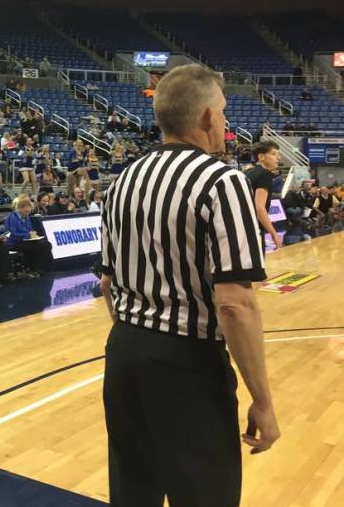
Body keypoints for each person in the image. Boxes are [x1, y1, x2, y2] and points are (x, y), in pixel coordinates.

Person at [99, 64, 277, 507]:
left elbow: (107, 282)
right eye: (222, 110)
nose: (224, 120)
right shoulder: (222, 181)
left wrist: (139, 338)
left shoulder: (123, 180)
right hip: (188, 362)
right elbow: (235, 304)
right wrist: (263, 400)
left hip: (123, 354)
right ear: (205, 118)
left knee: (133, 492)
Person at [244, 141, 283, 251]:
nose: (278, 158)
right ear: (261, 156)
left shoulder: (249, 172)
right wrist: (274, 234)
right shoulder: (265, 174)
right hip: (253, 229)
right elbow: (259, 208)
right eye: (274, 154)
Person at [4, 194, 54, 274]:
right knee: (38, 246)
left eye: (29, 211)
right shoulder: (12, 218)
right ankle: (34, 267)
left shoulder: (26, 217)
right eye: (26, 211)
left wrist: (33, 234)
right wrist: (27, 235)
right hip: (15, 243)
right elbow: (11, 234)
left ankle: (43, 267)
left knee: (47, 244)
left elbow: (30, 229)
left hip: (26, 241)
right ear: (20, 208)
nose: (27, 213)